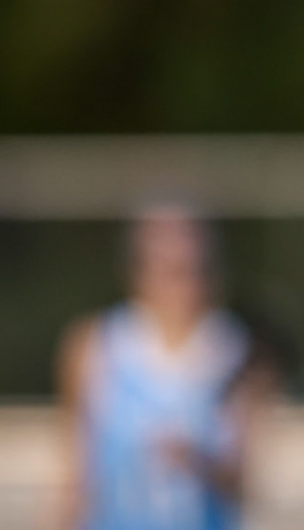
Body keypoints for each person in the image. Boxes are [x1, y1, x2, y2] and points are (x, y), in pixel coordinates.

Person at [57, 205, 266, 530]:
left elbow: (240, 480)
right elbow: (77, 479)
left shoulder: (233, 351)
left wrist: (196, 463)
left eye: (194, 268)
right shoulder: (96, 346)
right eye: (171, 270)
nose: (185, 285)